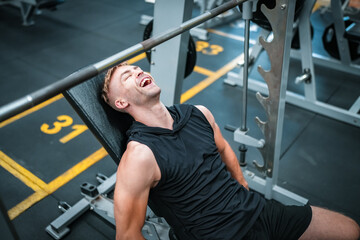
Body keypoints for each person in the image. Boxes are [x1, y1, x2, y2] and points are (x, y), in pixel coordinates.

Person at [102, 63, 360, 240]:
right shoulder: (139, 156)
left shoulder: (198, 113)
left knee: (349, 230)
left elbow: (224, 149)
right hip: (218, 234)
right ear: (121, 102)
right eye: (127, 77)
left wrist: (242, 184)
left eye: (137, 68)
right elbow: (127, 235)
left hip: (257, 211)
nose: (138, 71)